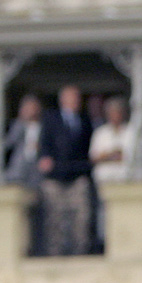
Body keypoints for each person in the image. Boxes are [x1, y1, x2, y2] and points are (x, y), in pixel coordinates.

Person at [39, 85, 97, 256]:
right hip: (55, 177)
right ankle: (55, 254)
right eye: (72, 97)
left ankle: (80, 252)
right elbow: (44, 145)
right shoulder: (51, 119)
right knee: (55, 220)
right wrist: (45, 158)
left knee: (81, 219)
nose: (75, 101)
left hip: (78, 175)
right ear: (63, 100)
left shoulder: (85, 121)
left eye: (77, 97)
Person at [89, 96, 138, 245]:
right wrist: (111, 154)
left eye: (117, 112)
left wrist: (110, 155)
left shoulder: (131, 132)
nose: (115, 115)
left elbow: (131, 156)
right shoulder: (100, 133)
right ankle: (104, 243)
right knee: (104, 216)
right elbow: (95, 156)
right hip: (105, 182)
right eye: (112, 112)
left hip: (125, 181)